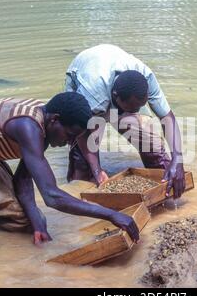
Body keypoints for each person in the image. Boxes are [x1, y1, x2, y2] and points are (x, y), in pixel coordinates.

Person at [0, 93, 139, 251]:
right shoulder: (28, 127)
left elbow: (24, 181)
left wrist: (37, 224)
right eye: (69, 134)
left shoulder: (45, 123)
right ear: (55, 119)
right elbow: (52, 196)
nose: (68, 143)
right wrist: (111, 214)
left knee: (22, 222)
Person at [64, 44, 186, 198]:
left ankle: (165, 192)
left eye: (137, 108)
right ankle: (81, 209)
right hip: (84, 78)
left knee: (152, 146)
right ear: (115, 96)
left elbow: (167, 118)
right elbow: (82, 132)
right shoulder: (94, 93)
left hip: (114, 81)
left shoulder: (146, 79)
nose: (133, 113)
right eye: (128, 109)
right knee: (82, 163)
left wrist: (178, 160)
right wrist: (97, 170)